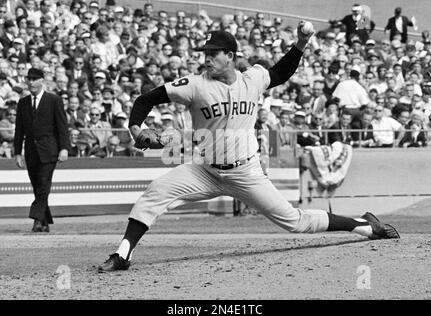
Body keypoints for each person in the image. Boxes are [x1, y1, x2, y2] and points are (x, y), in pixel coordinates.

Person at [92, 24, 399, 272]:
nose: (207, 58)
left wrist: (301, 44)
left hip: (246, 172)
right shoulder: (195, 84)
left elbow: (281, 73)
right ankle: (123, 254)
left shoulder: (252, 78)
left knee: (295, 222)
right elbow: (145, 100)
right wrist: (136, 127)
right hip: (205, 171)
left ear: (231, 55)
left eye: (214, 53)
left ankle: (363, 225)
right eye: (206, 53)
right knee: (156, 191)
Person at [13, 68, 69, 233]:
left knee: (43, 185)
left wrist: (64, 148)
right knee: (38, 187)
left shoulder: (54, 100)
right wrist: (17, 152)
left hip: (49, 150)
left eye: (34, 79)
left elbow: (62, 127)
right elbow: (19, 130)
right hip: (30, 152)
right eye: (29, 79)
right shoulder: (22, 103)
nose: (31, 82)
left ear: (41, 81)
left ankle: (37, 220)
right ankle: (44, 221)